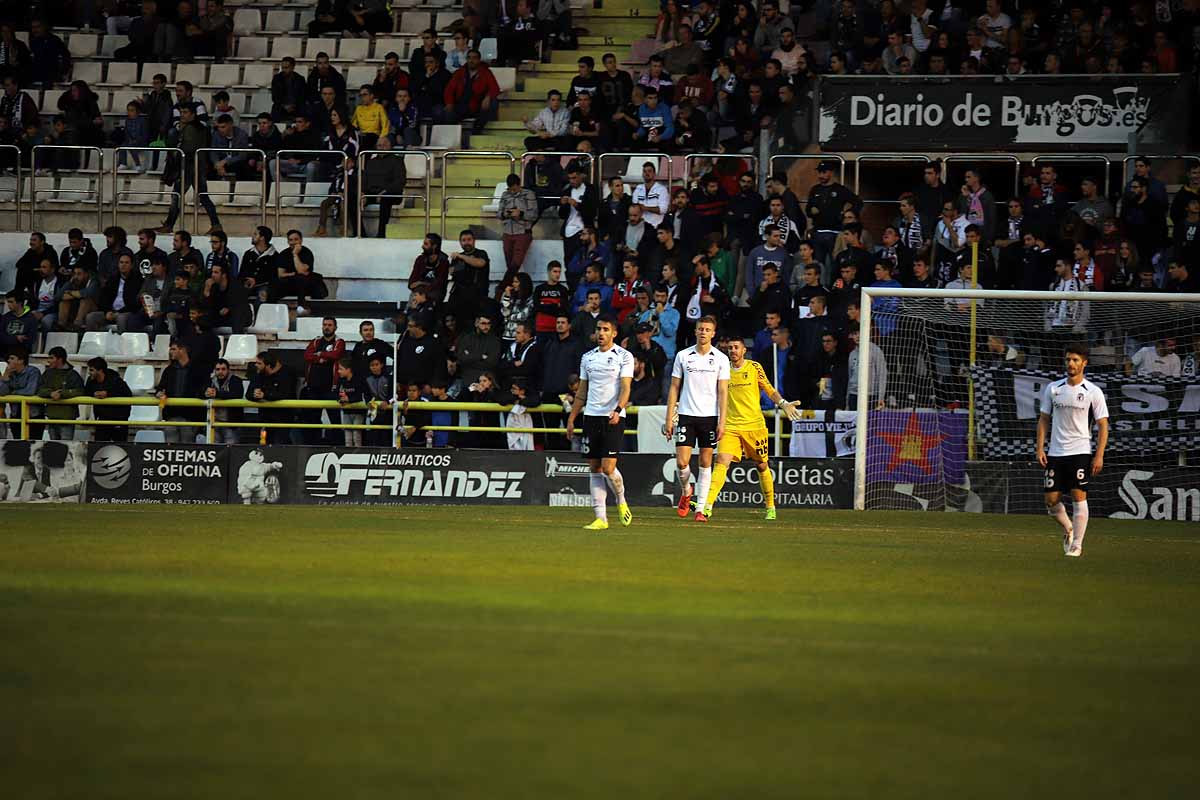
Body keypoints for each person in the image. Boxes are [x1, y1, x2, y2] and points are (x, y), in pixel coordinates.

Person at [701, 337, 801, 520]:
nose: (733, 351)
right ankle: (707, 506)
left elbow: (769, 389)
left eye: (736, 347)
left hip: (754, 426)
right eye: (730, 348)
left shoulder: (754, 368)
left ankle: (770, 506)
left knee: (762, 465)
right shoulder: (721, 369)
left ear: (744, 350)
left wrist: (783, 403)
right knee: (722, 460)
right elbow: (707, 392)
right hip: (730, 425)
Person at [1037, 344, 1109, 558]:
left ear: (1084, 363)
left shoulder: (1093, 392)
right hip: (1056, 452)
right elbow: (1043, 419)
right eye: (1068, 359)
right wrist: (1040, 447)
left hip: (1080, 451)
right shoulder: (1053, 388)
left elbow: (1103, 425)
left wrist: (1099, 454)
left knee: (1079, 497)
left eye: (1076, 360)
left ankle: (1077, 545)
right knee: (1051, 501)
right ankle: (1069, 529)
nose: (1071, 363)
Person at [566, 316, 634, 531]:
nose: (601, 333)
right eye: (598, 329)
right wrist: (572, 417)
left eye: (606, 329)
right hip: (591, 417)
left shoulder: (624, 356)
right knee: (594, 467)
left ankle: (621, 500)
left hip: (612, 416)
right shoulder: (587, 358)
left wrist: (618, 409)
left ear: (614, 333)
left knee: (608, 467)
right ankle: (601, 518)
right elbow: (582, 390)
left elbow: (625, 387)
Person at [665, 315, 730, 522]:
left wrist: (722, 421)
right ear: (695, 331)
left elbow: (723, 391)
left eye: (707, 330)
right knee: (682, 462)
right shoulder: (684, 356)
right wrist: (669, 417)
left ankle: (701, 509)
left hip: (709, 416)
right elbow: (674, 387)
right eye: (700, 329)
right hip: (685, 414)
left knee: (705, 462)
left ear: (713, 333)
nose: (703, 332)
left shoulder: (720, 358)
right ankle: (686, 491)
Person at [301, 317, 346, 445]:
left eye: (330, 325)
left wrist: (318, 354)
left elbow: (336, 355)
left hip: (331, 389)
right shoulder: (315, 341)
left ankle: (339, 447)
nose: (327, 327)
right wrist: (321, 357)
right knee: (313, 420)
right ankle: (313, 446)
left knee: (335, 420)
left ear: (335, 327)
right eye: (325, 325)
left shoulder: (339, 341)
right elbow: (307, 356)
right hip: (313, 388)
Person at [82, 357, 132, 443]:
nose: (89, 373)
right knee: (99, 445)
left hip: (118, 418)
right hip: (102, 418)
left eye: (91, 370)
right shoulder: (90, 381)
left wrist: (108, 394)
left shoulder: (116, 380)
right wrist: (94, 394)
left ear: (100, 370)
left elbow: (127, 393)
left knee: (120, 446)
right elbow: (85, 392)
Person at [498, 174, 538, 281]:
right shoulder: (505, 195)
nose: (512, 191)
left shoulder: (529, 194)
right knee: (510, 265)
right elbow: (498, 213)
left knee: (515, 264)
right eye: (510, 189)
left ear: (518, 184)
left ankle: (502, 288)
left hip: (522, 232)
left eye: (514, 189)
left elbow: (534, 215)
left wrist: (520, 214)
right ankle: (511, 288)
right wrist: (505, 214)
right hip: (507, 232)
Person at [248, 352, 294, 444]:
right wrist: (255, 395)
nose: (256, 365)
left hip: (282, 419)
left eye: (259, 363)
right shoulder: (258, 374)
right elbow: (248, 394)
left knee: (280, 446)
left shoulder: (287, 373)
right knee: (265, 446)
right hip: (265, 419)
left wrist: (264, 395)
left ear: (268, 365)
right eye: (256, 362)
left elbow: (286, 394)